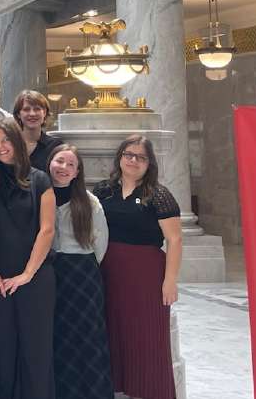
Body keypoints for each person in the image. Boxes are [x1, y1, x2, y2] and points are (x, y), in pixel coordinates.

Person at [93, 136, 183, 399]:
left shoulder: (158, 195)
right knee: (114, 328)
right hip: (109, 271)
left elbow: (175, 240)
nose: (133, 161)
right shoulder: (103, 191)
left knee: (147, 336)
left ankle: (150, 390)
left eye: (141, 157)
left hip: (147, 274)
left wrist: (170, 281)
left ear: (149, 163)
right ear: (120, 157)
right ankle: (118, 387)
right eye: (128, 154)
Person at [0, 119, 56, 399]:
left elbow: (47, 230)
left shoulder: (40, 179)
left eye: (6, 140)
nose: (1, 147)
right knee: (4, 348)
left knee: (36, 350)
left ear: (17, 141)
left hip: (35, 278)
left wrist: (27, 274)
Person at [48, 144, 113, 399]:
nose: (64, 168)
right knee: (58, 334)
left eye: (70, 164)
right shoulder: (39, 195)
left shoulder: (89, 201)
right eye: (59, 161)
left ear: (77, 172)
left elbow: (101, 243)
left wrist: (83, 265)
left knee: (87, 336)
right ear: (50, 163)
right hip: (50, 272)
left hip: (82, 276)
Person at [13, 90, 60, 172]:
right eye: (26, 109)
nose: (32, 114)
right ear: (18, 114)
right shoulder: (10, 144)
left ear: (44, 113)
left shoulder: (55, 147)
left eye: (37, 109)